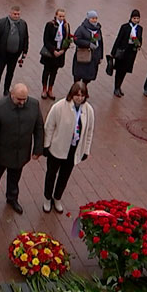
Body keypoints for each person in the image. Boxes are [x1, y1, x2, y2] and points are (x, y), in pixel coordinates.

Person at [0, 83, 44, 215]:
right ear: (12, 95)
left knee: (14, 179)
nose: (22, 102)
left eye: (24, 99)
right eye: (19, 99)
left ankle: (12, 198)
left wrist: (38, 149)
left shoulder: (34, 105)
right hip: (1, 153)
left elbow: (39, 128)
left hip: (20, 153)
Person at [42, 82, 95, 213]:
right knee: (51, 175)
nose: (80, 98)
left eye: (82, 96)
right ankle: (47, 198)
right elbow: (49, 126)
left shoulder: (88, 110)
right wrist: (46, 145)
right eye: (77, 95)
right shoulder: (59, 107)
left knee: (64, 176)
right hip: (57, 148)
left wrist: (86, 150)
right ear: (71, 94)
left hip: (73, 150)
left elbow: (89, 131)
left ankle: (57, 197)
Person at [0, 6, 29, 100]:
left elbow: (25, 38)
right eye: (15, 14)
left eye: (18, 14)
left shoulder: (23, 24)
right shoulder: (2, 22)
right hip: (2, 53)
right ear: (10, 13)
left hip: (15, 54)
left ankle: (6, 90)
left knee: (10, 72)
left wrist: (25, 51)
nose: (16, 16)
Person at [109, 9, 143, 98]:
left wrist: (138, 44)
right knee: (119, 70)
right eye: (134, 18)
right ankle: (116, 87)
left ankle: (119, 86)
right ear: (131, 18)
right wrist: (113, 52)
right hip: (122, 51)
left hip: (131, 52)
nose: (136, 20)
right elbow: (119, 39)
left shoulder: (139, 28)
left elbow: (140, 39)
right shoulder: (125, 27)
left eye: (137, 18)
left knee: (125, 70)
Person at [40, 9, 72, 100]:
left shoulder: (66, 26)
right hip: (50, 52)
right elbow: (46, 40)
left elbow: (68, 40)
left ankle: (50, 89)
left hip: (60, 53)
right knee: (46, 71)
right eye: (60, 16)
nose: (62, 18)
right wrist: (53, 50)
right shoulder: (50, 25)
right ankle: (44, 89)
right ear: (56, 16)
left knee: (54, 72)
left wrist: (63, 50)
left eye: (63, 16)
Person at [71, 10, 104, 86]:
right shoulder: (81, 28)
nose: (94, 20)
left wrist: (100, 56)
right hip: (83, 56)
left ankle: (84, 89)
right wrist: (88, 44)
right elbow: (76, 39)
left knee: (88, 76)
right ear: (88, 19)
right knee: (78, 76)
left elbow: (101, 43)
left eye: (96, 18)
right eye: (92, 18)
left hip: (93, 57)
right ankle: (76, 90)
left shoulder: (98, 29)